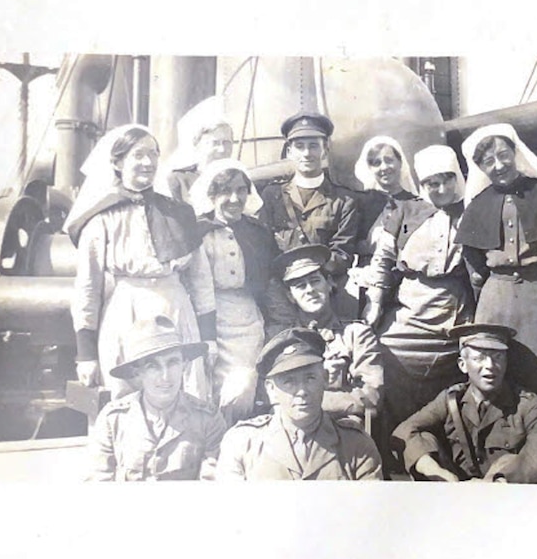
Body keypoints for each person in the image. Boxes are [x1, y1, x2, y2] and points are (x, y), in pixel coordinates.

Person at [454, 123, 537, 483]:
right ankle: (500, 472)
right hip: (495, 302)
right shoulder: (478, 206)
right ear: (480, 168)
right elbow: (474, 268)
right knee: (496, 380)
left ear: (515, 154)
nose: (498, 165)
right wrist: (491, 296)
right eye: (488, 161)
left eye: (503, 155)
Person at [65, 124, 217, 402]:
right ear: (118, 162)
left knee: (186, 398)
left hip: (176, 311)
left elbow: (201, 281)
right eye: (138, 155)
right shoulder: (101, 219)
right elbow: (87, 290)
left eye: (154, 154)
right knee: (128, 398)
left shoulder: (179, 213)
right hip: (126, 314)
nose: (148, 162)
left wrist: (209, 337)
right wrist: (85, 354)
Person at [361, 144, 474, 438]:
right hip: (411, 306)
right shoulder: (405, 210)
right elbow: (383, 260)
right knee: (387, 351)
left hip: (454, 307)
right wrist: (374, 301)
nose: (439, 189)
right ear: (422, 185)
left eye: (445, 180)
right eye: (431, 183)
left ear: (457, 179)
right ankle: (395, 441)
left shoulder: (471, 212)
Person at [189, 158, 289, 424]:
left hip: (245, 321)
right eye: (225, 191)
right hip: (204, 318)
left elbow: (271, 279)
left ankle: (235, 437)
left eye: (241, 190)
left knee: (243, 384)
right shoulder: (197, 231)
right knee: (204, 387)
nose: (234, 198)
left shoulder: (258, 232)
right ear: (211, 195)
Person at [209, 328, 383, 480]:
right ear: (270, 389)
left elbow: (368, 513)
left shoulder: (357, 446)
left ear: (324, 379)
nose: (301, 391)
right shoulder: (242, 442)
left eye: (310, 378)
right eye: (289, 382)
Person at [391, 323, 537, 483]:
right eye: (480, 358)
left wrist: (494, 483)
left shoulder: (529, 405)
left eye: (498, 357)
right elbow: (404, 431)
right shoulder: (451, 399)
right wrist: (438, 474)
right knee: (423, 438)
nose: (490, 366)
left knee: (512, 460)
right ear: (463, 365)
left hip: (506, 498)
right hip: (456, 495)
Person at [87, 315, 228, 481]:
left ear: (184, 364)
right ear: (137, 372)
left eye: (173, 362)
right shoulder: (113, 419)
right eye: (152, 366)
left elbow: (212, 485)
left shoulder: (208, 419)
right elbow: (98, 481)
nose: (165, 377)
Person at [269, 244, 384, 422]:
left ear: (330, 283)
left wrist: (306, 404)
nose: (309, 290)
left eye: (315, 281)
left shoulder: (357, 334)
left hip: (342, 431)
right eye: (300, 286)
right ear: (290, 296)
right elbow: (272, 397)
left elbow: (371, 398)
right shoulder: (283, 340)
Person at [259, 112, 359, 303]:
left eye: (313, 145)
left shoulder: (344, 200)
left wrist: (312, 274)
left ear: (325, 149)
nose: (307, 153)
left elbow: (342, 255)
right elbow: (265, 249)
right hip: (282, 295)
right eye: (299, 146)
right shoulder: (272, 196)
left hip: (325, 295)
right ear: (289, 151)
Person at [347, 136, 419, 312]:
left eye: (389, 160)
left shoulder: (415, 203)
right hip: (366, 281)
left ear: (400, 162)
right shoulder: (360, 203)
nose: (384, 168)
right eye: (376, 163)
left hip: (404, 281)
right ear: (369, 168)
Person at [155, 95, 235, 204]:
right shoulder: (178, 181)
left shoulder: (238, 179)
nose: (222, 149)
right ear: (197, 145)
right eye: (215, 143)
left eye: (227, 142)